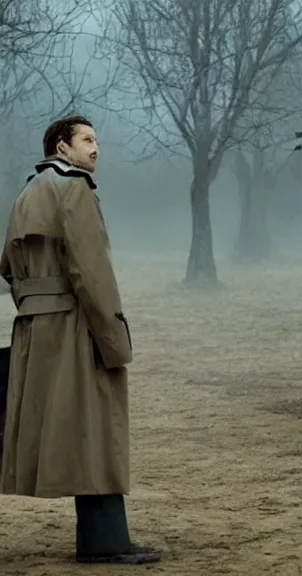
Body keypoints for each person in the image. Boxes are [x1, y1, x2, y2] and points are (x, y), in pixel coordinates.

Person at [0, 114, 161, 564]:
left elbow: (9, 269)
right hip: (75, 328)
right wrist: (114, 342)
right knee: (98, 431)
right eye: (87, 139)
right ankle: (106, 543)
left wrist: (36, 310)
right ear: (61, 146)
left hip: (37, 331)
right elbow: (92, 275)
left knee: (73, 433)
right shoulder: (75, 189)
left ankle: (104, 539)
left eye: (97, 141)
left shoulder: (26, 193)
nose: (96, 148)